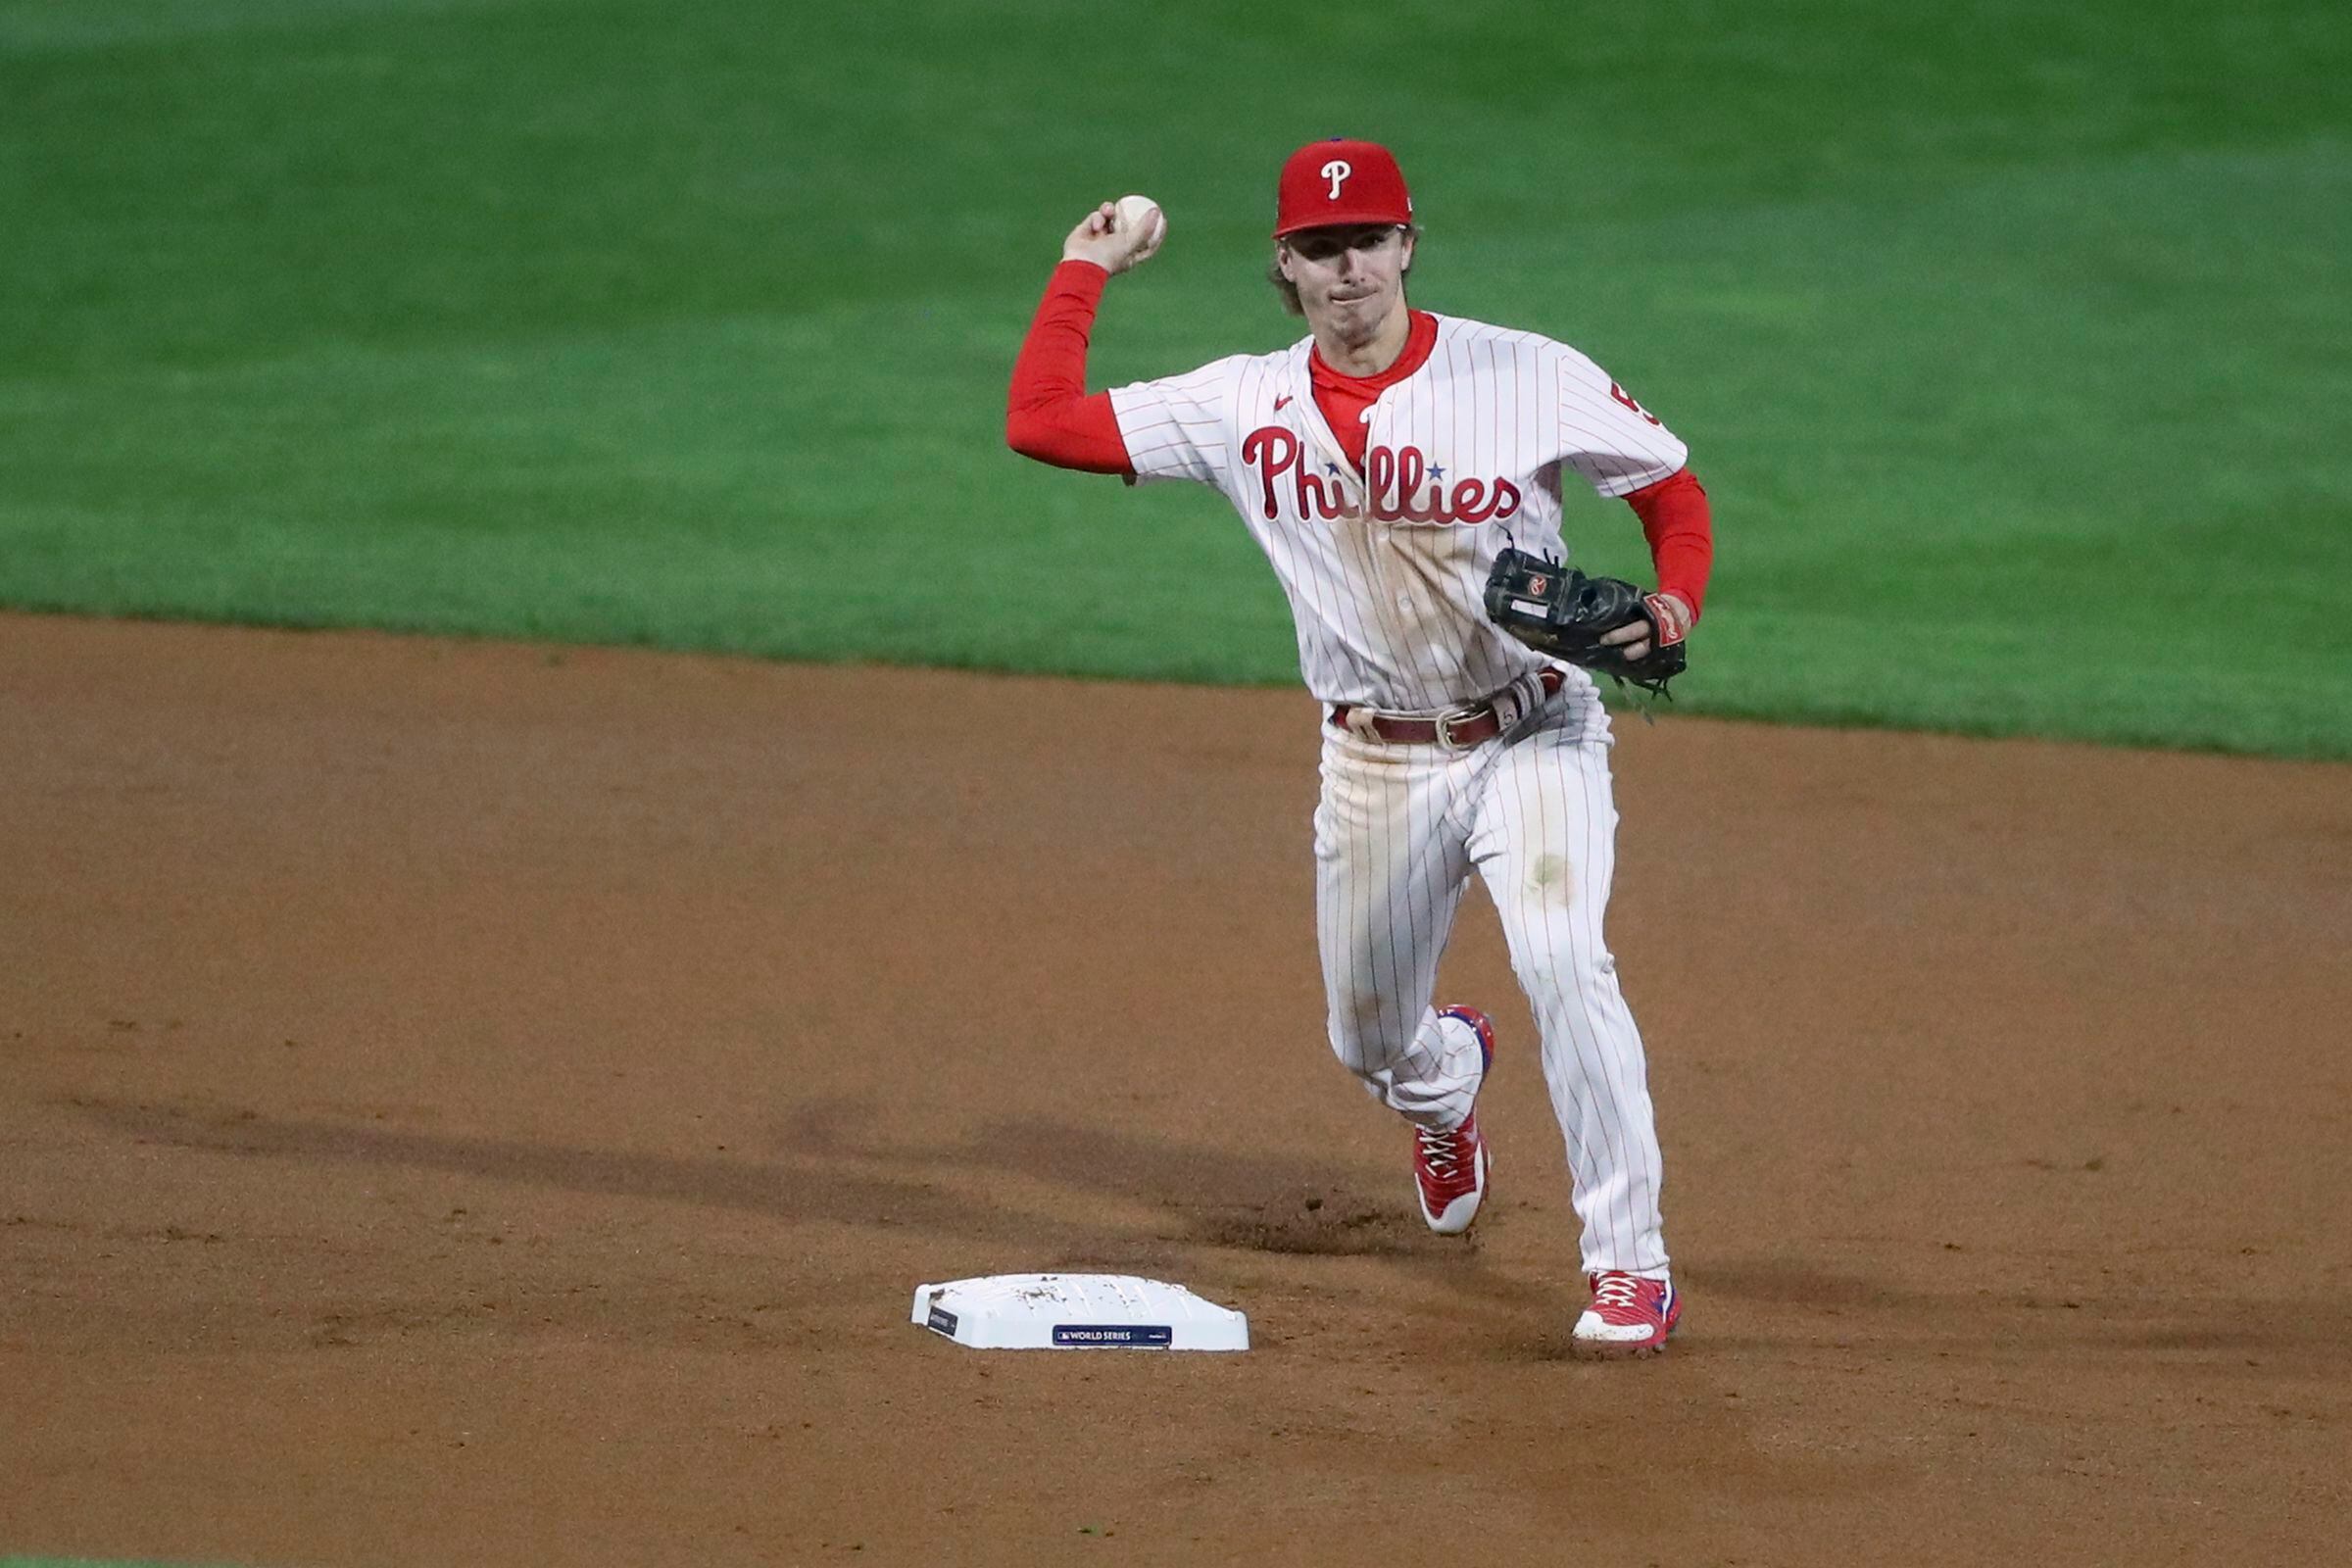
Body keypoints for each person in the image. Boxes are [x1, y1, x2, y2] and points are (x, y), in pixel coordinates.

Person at [1004, 137, 1713, 1357]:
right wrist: (1083, 265)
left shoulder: (1522, 372)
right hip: (1375, 760)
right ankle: (1447, 1089)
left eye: (1368, 242)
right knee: (1369, 1038)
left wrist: (1674, 605)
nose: (1347, 271)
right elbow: (1042, 422)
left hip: (1533, 729)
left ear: (1406, 245)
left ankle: (1631, 1268)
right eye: (1320, 250)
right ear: (1288, 265)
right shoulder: (1239, 404)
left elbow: (1668, 489)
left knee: (1564, 961)